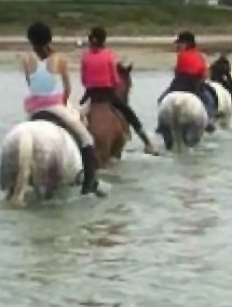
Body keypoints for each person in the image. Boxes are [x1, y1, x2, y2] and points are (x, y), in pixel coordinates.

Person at [21, 21, 101, 194]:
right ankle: (90, 183)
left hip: (34, 109)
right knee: (87, 139)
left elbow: (30, 85)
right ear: (49, 39)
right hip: (55, 107)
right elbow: (67, 89)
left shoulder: (26, 60)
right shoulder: (60, 59)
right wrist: (64, 102)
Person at [80, 26, 157, 152]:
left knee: (78, 116)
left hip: (92, 97)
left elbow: (83, 80)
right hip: (108, 95)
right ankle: (148, 143)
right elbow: (116, 80)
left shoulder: (85, 57)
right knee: (130, 114)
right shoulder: (110, 55)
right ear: (103, 40)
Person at [160, 31, 219, 123]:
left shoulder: (181, 55)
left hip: (178, 83)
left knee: (161, 99)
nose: (178, 46)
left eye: (180, 44)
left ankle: (161, 124)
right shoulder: (199, 55)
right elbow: (204, 73)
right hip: (194, 84)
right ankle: (209, 120)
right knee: (209, 100)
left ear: (187, 44)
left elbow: (177, 71)